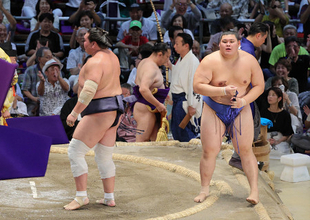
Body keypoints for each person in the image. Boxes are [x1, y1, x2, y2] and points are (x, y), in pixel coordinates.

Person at [193, 31, 264, 205]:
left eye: (231, 41)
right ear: (219, 44)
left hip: (241, 108)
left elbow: (260, 86)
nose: (228, 44)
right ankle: (204, 189)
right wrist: (221, 90)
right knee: (210, 151)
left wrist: (244, 100)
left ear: (238, 43)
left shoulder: (249, 60)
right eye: (224, 41)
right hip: (214, 107)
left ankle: (254, 191)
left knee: (245, 150)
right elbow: (197, 86)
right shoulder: (210, 61)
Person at [64, 27, 123, 210]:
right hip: (115, 111)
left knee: (75, 151)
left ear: (94, 44)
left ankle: (81, 197)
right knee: (103, 155)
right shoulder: (112, 57)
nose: (83, 43)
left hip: (100, 111)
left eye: (86, 40)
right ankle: (109, 197)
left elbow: (89, 90)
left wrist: (74, 113)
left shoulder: (96, 61)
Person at [132, 42, 171, 142]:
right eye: (167, 57)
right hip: (147, 108)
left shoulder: (144, 62)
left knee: (155, 142)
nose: (168, 60)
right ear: (160, 54)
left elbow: (137, 81)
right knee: (141, 142)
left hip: (149, 107)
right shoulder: (151, 68)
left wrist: (158, 92)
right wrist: (158, 104)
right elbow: (143, 89)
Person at [170, 33, 201, 142]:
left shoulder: (193, 61)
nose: (174, 46)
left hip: (185, 102)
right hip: (177, 100)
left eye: (177, 44)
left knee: (185, 133)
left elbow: (193, 84)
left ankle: (190, 156)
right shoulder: (181, 60)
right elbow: (178, 76)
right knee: (177, 131)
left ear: (186, 46)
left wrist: (192, 105)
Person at [260, 87, 294, 159]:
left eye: (273, 95)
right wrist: (266, 140)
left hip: (280, 140)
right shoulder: (263, 112)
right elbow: (259, 130)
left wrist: (278, 141)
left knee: (280, 154)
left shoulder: (285, 114)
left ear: (279, 99)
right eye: (269, 95)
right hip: (265, 138)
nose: (270, 97)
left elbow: (288, 133)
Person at [21, 47, 52, 116]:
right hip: (33, 102)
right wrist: (34, 99)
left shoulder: (55, 70)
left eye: (51, 57)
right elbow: (25, 89)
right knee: (29, 115)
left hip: (51, 102)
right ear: (39, 59)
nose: (50, 60)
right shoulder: (30, 70)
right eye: (47, 57)